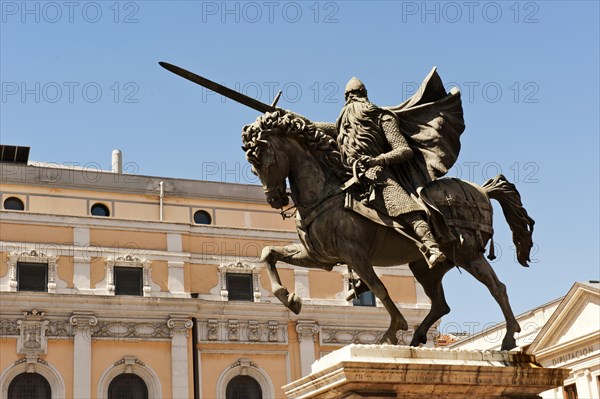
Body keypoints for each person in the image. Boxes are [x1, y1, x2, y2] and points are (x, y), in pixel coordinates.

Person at [336, 77, 445, 268]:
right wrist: (286, 116)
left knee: (406, 208)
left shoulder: (382, 117)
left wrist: (377, 160)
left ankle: (432, 246)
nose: (352, 101)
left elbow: (404, 150)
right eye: (349, 97)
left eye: (354, 96)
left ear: (363, 96)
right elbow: (315, 126)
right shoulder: (343, 125)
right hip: (349, 176)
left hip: (378, 174)